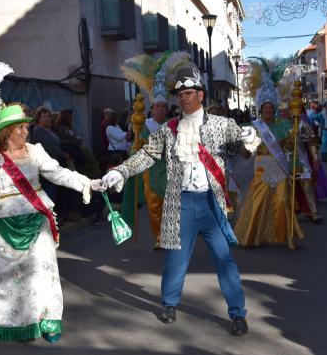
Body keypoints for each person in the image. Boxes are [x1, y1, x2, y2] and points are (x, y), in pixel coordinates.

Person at [102, 64, 250, 336]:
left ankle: (238, 313)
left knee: (224, 258)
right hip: (180, 202)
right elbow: (146, 155)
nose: (182, 97)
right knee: (175, 259)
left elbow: (243, 150)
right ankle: (169, 303)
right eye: (179, 94)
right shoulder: (167, 130)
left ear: (201, 95)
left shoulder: (223, 124)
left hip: (210, 203)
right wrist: (121, 170)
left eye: (188, 92)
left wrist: (248, 142)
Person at [0, 104, 104, 342]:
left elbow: (57, 173)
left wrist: (87, 183)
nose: (27, 131)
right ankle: (1, 322)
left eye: (27, 127)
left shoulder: (35, 151)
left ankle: (47, 321)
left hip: (34, 219)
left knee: (40, 275)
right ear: (7, 132)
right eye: (21, 128)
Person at [234, 74, 304, 249]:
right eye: (265, 107)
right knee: (259, 201)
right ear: (260, 108)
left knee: (282, 201)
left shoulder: (284, 125)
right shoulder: (252, 128)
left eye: (270, 107)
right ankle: (252, 235)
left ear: (274, 108)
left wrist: (295, 136)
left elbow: (290, 147)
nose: (267, 110)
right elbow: (245, 154)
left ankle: (287, 237)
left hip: (279, 167)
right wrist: (237, 146)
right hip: (262, 168)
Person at [121, 87, 169, 249]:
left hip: (170, 170)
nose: (160, 109)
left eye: (163, 106)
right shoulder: (143, 125)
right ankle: (160, 237)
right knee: (154, 206)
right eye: (158, 106)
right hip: (151, 171)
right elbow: (136, 147)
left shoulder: (173, 125)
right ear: (152, 109)